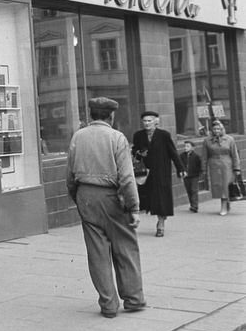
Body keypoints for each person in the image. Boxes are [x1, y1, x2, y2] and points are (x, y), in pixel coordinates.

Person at [66, 97, 146, 319]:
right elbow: (127, 177)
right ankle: (133, 298)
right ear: (111, 116)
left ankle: (108, 305)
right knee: (126, 247)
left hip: (86, 196)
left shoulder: (77, 137)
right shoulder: (116, 137)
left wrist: (79, 198)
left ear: (91, 114)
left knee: (97, 253)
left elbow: (69, 175)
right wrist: (134, 207)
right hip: (112, 198)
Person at [131, 110, 185, 237]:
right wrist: (139, 153)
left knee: (161, 198)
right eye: (144, 121)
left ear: (156, 122)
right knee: (143, 197)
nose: (146, 123)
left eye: (149, 121)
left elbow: (173, 152)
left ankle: (161, 224)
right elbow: (134, 150)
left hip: (161, 172)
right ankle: (133, 222)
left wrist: (180, 168)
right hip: (144, 173)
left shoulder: (164, 135)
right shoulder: (138, 135)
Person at [200, 120, 241, 216]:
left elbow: (234, 154)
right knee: (219, 186)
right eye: (214, 129)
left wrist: (237, 168)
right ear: (211, 130)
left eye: (218, 128)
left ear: (222, 129)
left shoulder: (230, 139)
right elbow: (204, 156)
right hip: (214, 166)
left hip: (227, 165)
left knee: (225, 186)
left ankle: (223, 206)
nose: (216, 130)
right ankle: (227, 202)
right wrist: (204, 170)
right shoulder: (207, 141)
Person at [180, 140, 203, 213]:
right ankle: (192, 204)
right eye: (185, 146)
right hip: (185, 176)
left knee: (194, 190)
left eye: (187, 146)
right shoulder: (182, 156)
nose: (185, 148)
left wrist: (199, 173)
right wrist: (180, 173)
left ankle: (195, 206)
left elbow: (200, 166)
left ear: (192, 148)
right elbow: (180, 165)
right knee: (189, 190)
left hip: (194, 176)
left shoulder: (196, 156)